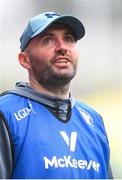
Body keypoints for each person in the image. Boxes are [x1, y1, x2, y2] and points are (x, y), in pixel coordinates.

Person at [0, 11, 113, 179]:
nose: (62, 47)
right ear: (25, 60)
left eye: (69, 38)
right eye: (48, 40)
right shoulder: (6, 113)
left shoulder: (93, 120)